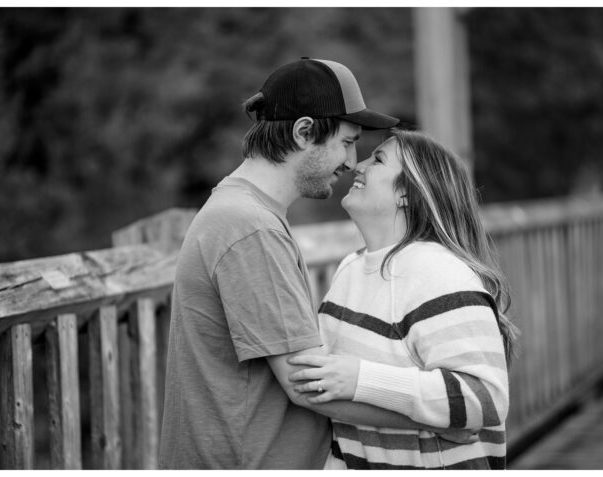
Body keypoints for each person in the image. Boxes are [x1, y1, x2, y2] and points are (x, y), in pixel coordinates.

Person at [158, 58, 461, 469]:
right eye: (347, 142)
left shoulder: (245, 213)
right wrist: (444, 420)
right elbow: (307, 384)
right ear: (304, 132)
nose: (352, 162)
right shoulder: (250, 228)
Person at [287, 129, 517, 469]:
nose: (357, 165)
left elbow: (484, 400)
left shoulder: (442, 275)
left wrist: (362, 379)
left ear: (406, 194)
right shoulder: (351, 269)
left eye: (377, 159)